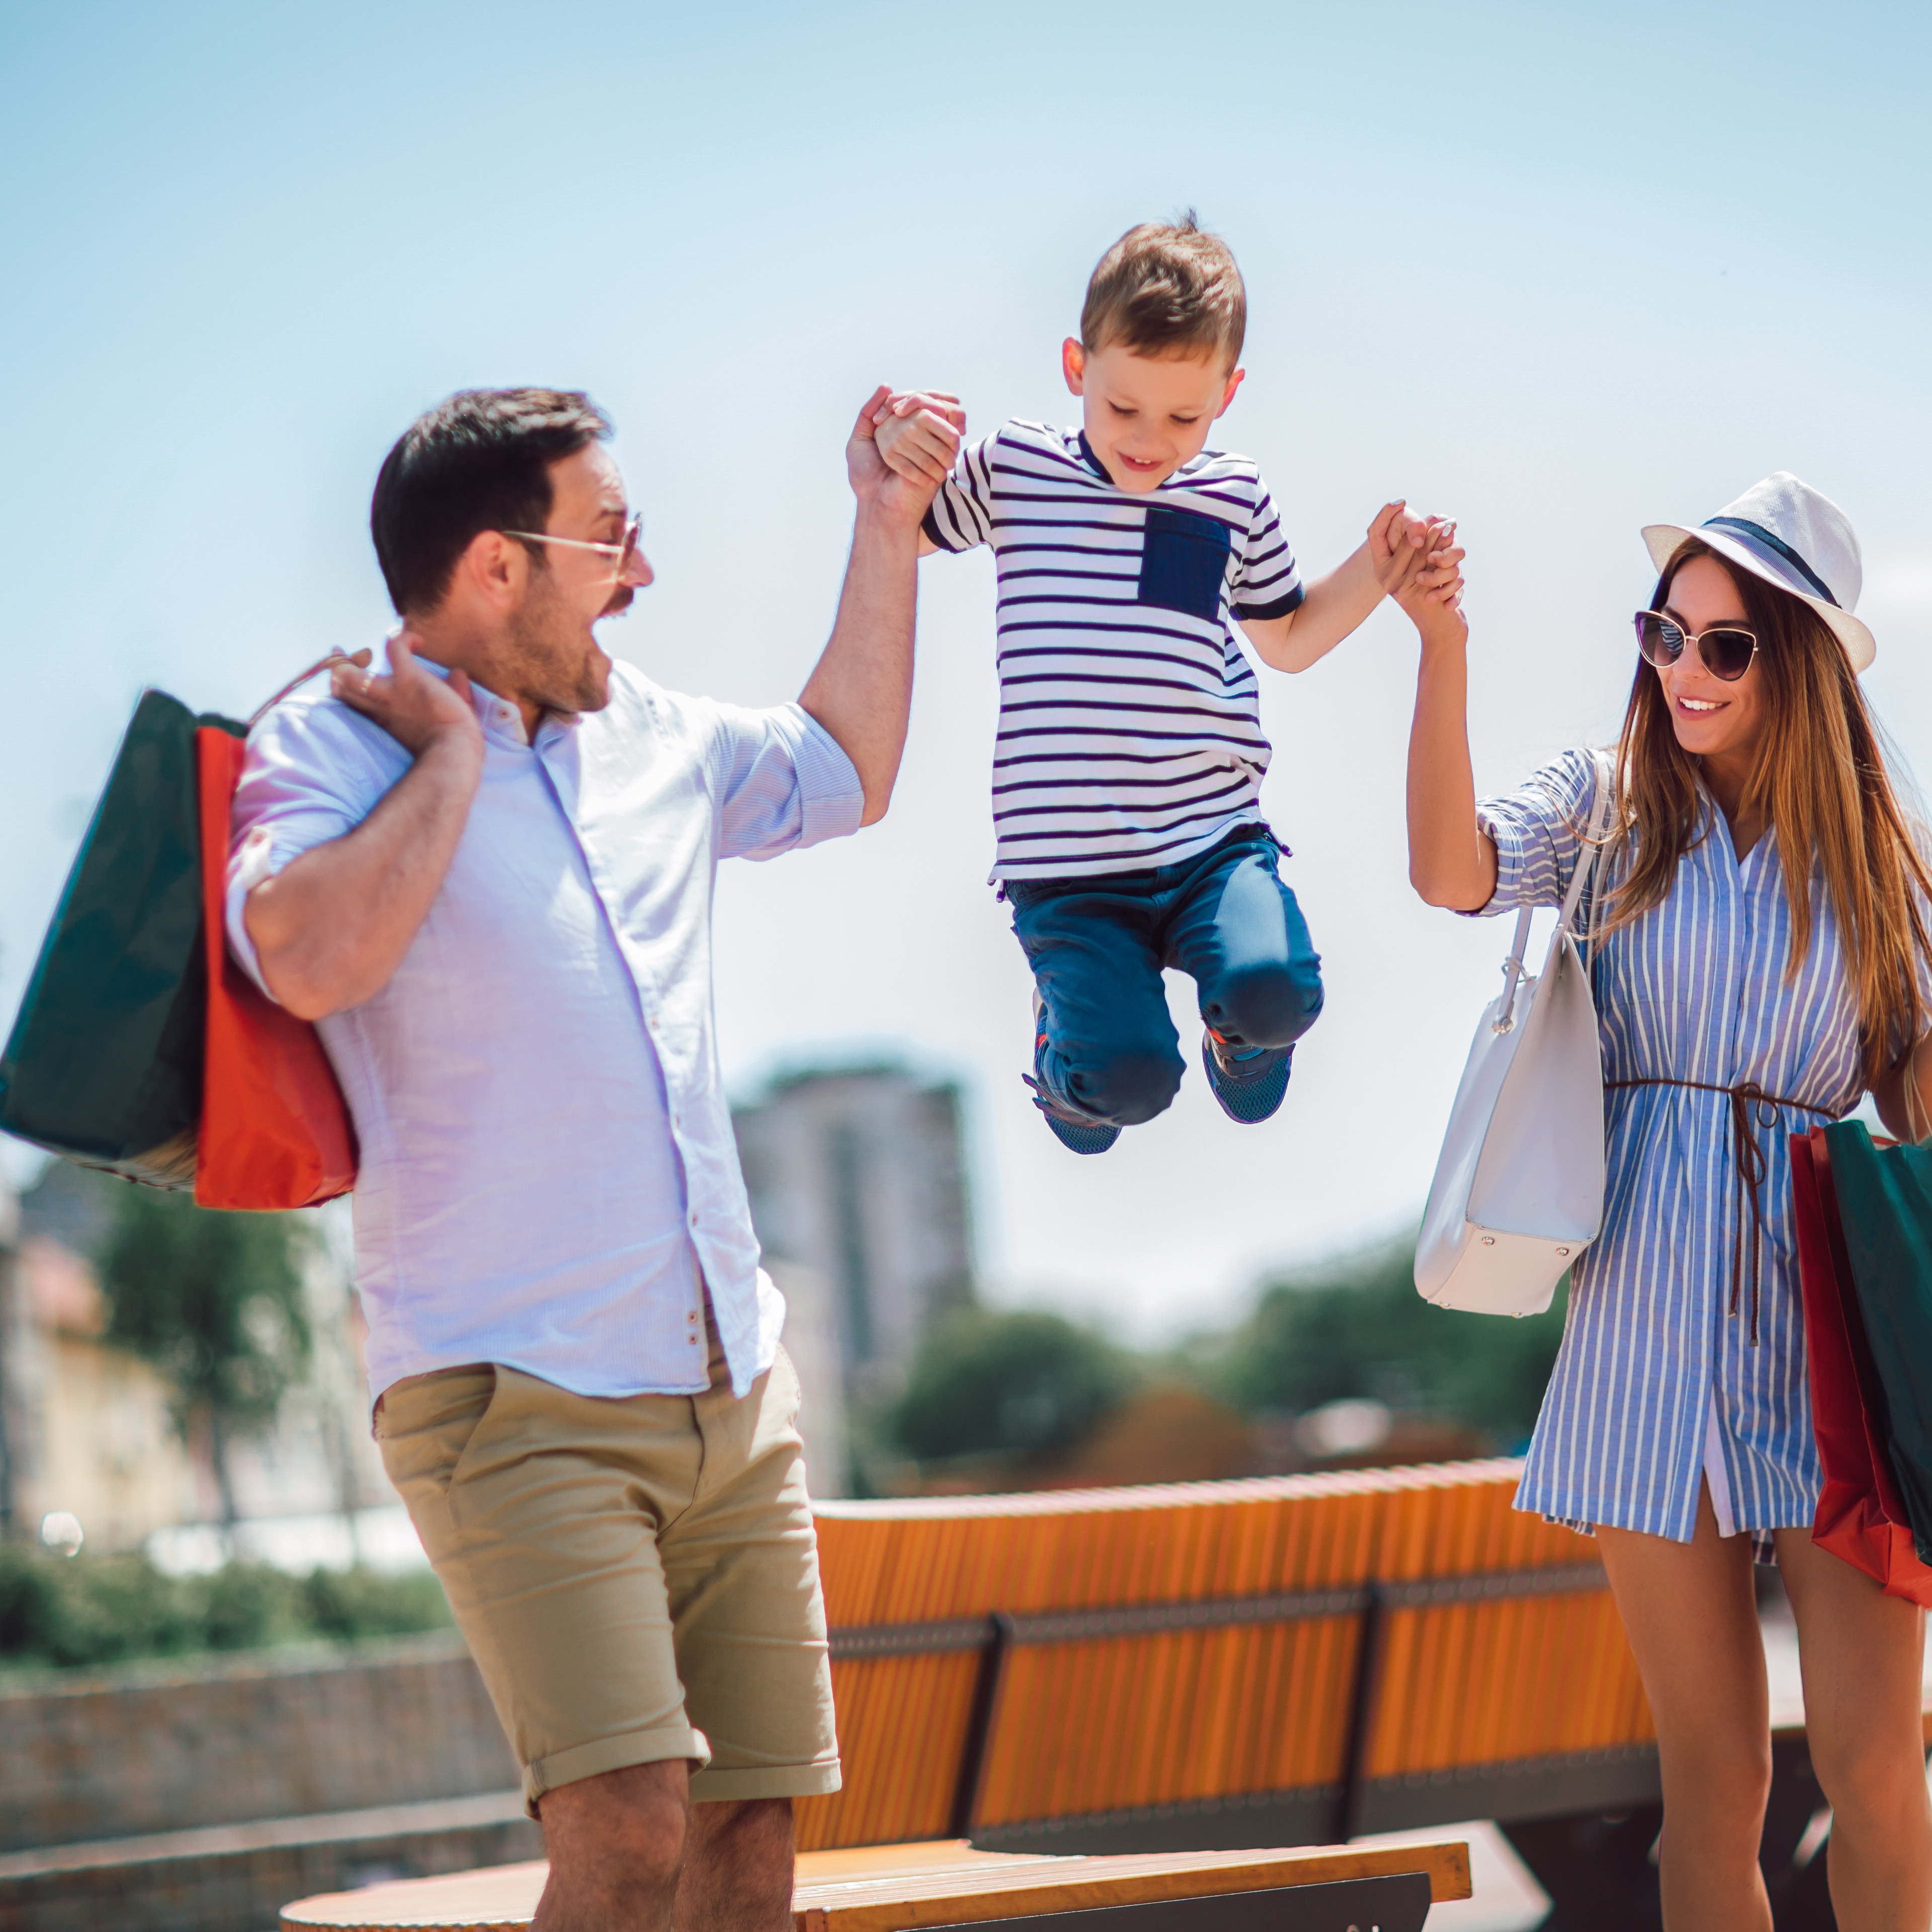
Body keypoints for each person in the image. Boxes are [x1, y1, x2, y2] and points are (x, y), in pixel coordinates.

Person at [224, 384, 958, 1932]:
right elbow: (302, 957)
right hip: (512, 1396)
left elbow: (846, 765)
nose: (642, 575)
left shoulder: (665, 741)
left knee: (750, 1842)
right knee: (626, 1839)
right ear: (498, 566)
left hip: (730, 1389)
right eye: (613, 539)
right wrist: (442, 765)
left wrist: (884, 524)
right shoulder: (338, 737)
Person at [1405, 472, 1932, 1928]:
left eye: (1725, 645)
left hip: (1837, 1339)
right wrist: (1442, 646)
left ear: (1802, 662)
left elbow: (1923, 1112)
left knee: (1879, 1768)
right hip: (1644, 1318)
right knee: (1715, 1786)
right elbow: (1450, 870)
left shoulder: (1885, 876)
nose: (1683, 672)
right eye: (1666, 634)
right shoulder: (1604, 804)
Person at [872, 216, 1462, 1152]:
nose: (1150, 442)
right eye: (1124, 409)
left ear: (1228, 394)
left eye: (1184, 417)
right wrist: (897, 436)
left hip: (1210, 844)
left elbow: (1292, 639)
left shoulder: (1233, 499)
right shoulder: (1018, 469)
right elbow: (901, 522)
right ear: (1078, 368)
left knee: (1279, 993)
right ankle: (1073, 1067)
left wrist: (1377, 568)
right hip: (1068, 874)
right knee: (1129, 1085)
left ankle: (1242, 1038)